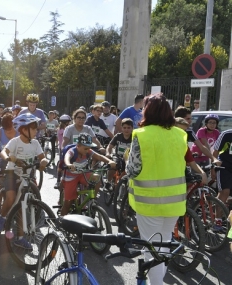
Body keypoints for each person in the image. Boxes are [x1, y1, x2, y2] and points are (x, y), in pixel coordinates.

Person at [125, 93, 187, 285]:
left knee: (150, 248)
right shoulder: (180, 135)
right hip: (175, 203)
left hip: (149, 203)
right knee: (164, 244)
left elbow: (132, 170)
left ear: (147, 111)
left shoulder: (143, 135)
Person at [0, 113, 48, 249]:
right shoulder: (15, 141)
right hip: (12, 173)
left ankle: (19, 238)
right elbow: (3, 152)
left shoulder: (35, 143)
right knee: (11, 197)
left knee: (22, 205)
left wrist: (44, 161)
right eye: (34, 128)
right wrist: (8, 158)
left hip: (27, 176)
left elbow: (42, 157)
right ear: (24, 130)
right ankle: (2, 217)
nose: (37, 131)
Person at [60, 133, 116, 215]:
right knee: (68, 202)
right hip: (71, 177)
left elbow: (99, 157)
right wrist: (68, 164)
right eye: (85, 148)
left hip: (83, 173)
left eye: (89, 148)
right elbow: (67, 157)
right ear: (78, 145)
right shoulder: (72, 151)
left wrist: (109, 161)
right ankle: (62, 220)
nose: (87, 151)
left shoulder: (88, 150)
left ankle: (92, 199)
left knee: (96, 178)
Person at [212, 128, 232, 230]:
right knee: (224, 192)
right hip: (224, 166)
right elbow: (215, 152)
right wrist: (213, 168)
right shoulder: (226, 134)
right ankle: (217, 221)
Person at [105, 118, 133, 189]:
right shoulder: (118, 136)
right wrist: (108, 153)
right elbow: (109, 146)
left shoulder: (134, 137)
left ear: (132, 128)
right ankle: (108, 182)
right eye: (124, 128)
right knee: (112, 166)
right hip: (118, 157)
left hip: (129, 158)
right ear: (121, 128)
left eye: (128, 128)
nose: (126, 130)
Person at [55, 114, 72, 188]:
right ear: (65, 123)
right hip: (63, 149)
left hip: (70, 148)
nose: (69, 123)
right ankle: (58, 180)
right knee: (61, 164)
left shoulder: (67, 129)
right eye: (68, 122)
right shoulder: (61, 130)